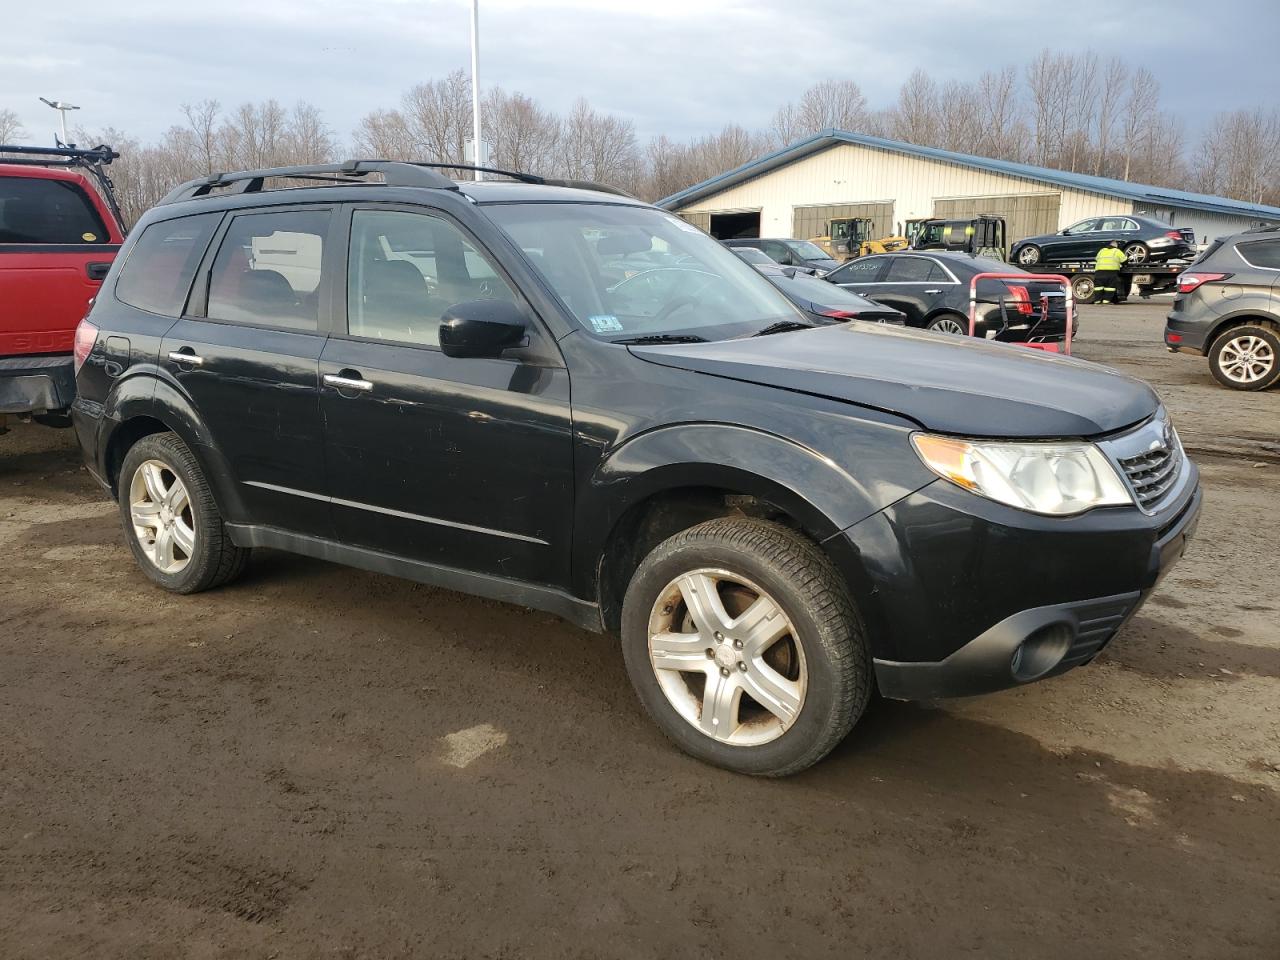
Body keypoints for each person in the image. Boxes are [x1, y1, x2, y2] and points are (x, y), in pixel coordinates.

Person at [1093, 240, 1128, 305]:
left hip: (1099, 272)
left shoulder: (1102, 250)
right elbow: (1125, 261)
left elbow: (1096, 259)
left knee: (1098, 287)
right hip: (1111, 272)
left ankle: (1097, 301)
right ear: (1116, 246)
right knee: (1109, 287)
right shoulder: (1117, 251)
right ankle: (1106, 301)